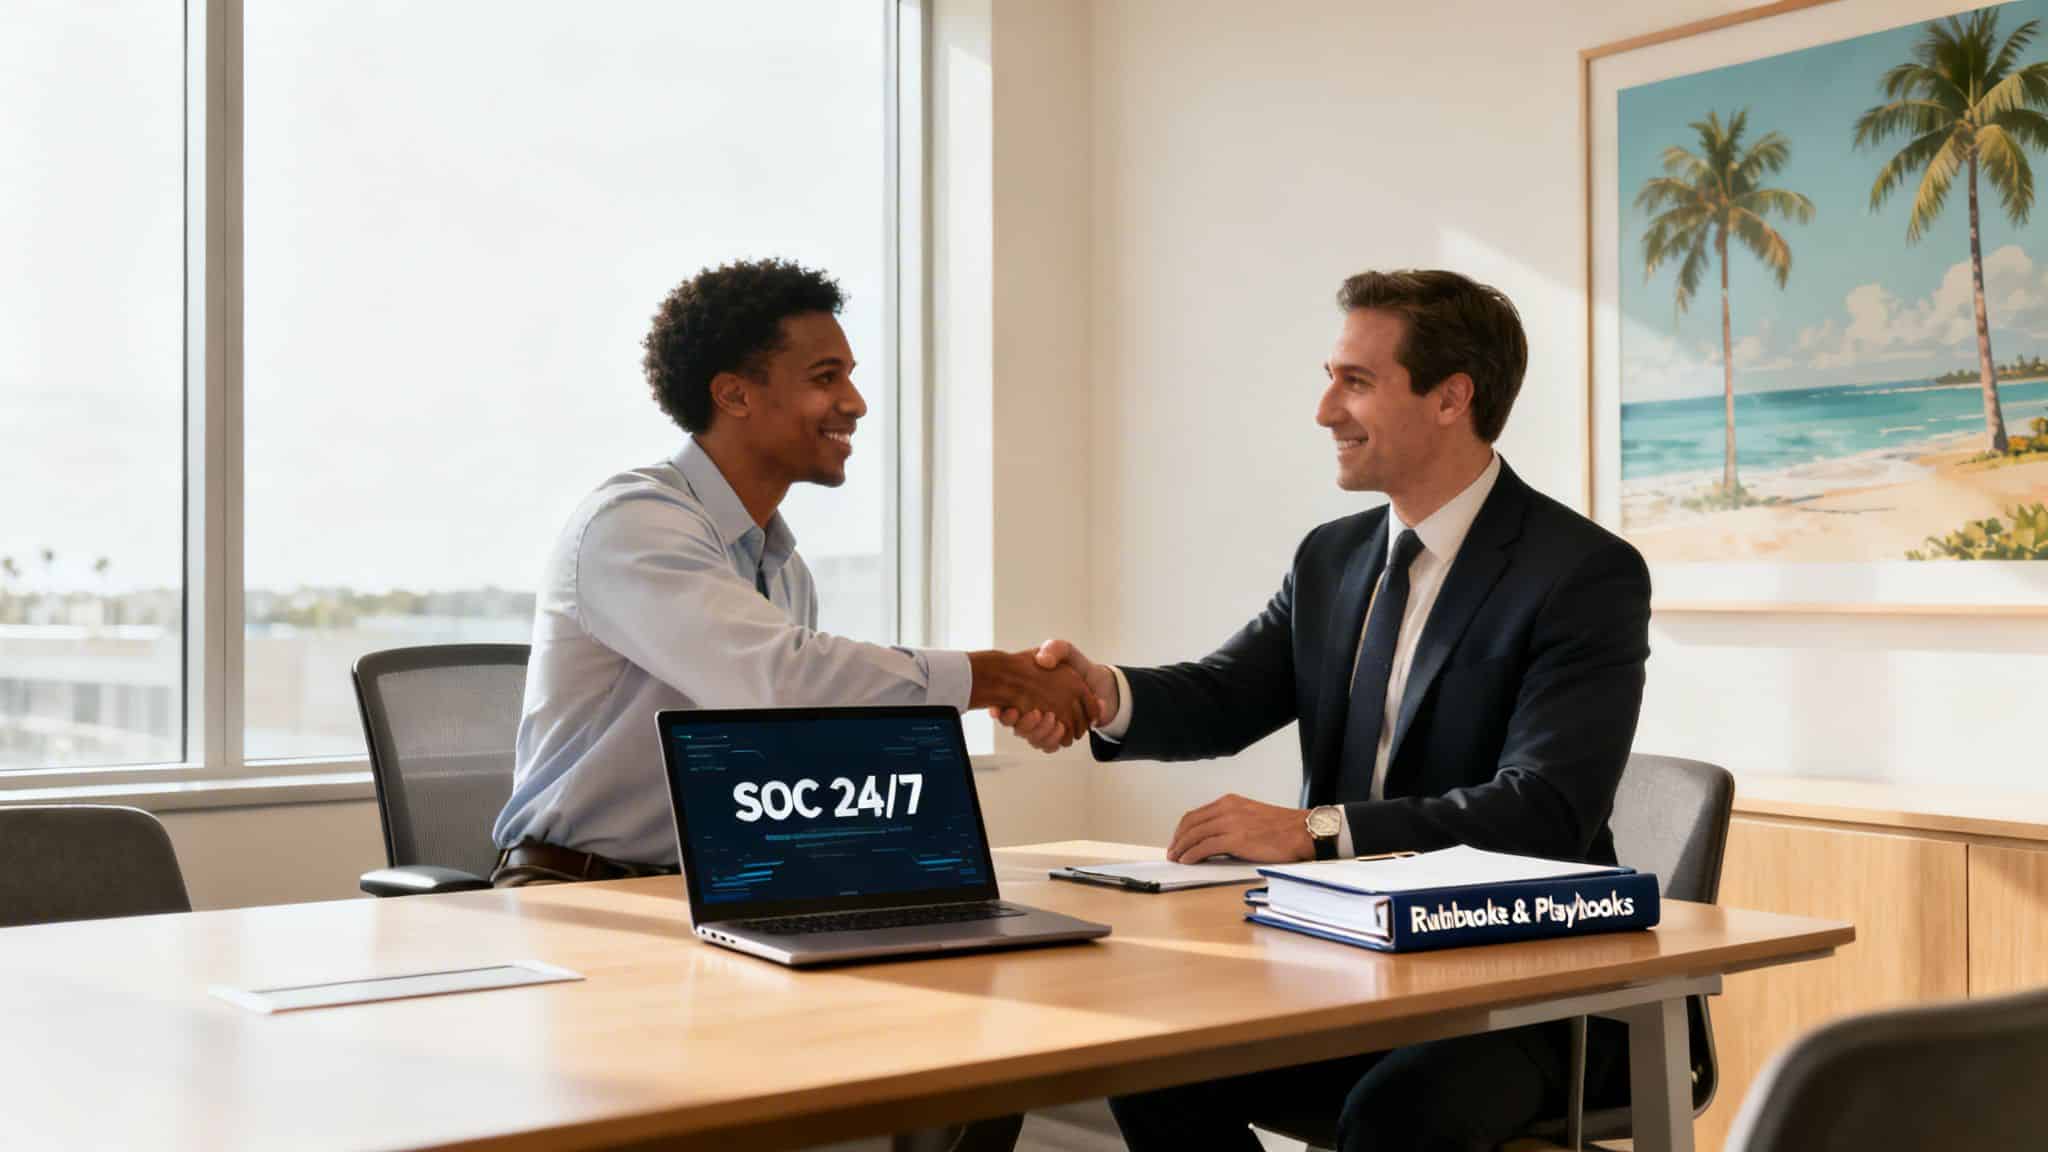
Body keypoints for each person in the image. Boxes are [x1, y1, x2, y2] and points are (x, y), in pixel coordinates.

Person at [997, 269, 1651, 1151]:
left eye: (1355, 381)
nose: (1323, 411)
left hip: (1528, 993)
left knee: (1395, 1112)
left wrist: (1316, 829)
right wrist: (1099, 691)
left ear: (1453, 396)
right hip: (1353, 963)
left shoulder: (1581, 572)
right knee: (1148, 1055)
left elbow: (1545, 811)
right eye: (1330, 376)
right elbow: (1227, 695)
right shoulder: (1332, 558)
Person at [493, 258, 1101, 887]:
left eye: (851, 377)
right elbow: (780, 681)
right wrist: (993, 678)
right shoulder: (632, 526)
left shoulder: (784, 572)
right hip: (579, 894)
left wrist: (1001, 698)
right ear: (734, 394)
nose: (856, 403)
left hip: (722, 887)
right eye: (825, 377)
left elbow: (792, 743)